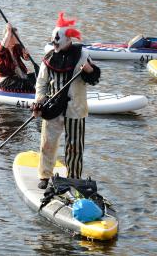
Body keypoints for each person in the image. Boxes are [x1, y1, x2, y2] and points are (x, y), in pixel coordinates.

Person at [32, 12, 100, 189]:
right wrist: (39, 102)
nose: (55, 44)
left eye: (57, 41)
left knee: (74, 147)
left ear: (67, 39)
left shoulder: (83, 55)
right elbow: (41, 82)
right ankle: (44, 175)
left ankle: (74, 178)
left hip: (75, 109)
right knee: (48, 143)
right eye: (53, 41)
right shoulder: (49, 57)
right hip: (53, 107)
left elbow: (95, 78)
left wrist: (89, 70)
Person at [0, 23, 36, 93]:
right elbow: (2, 48)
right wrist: (8, 32)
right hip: (6, 80)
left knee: (38, 76)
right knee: (27, 84)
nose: (18, 37)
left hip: (19, 76)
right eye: (16, 35)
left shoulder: (16, 47)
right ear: (9, 37)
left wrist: (26, 55)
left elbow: (26, 58)